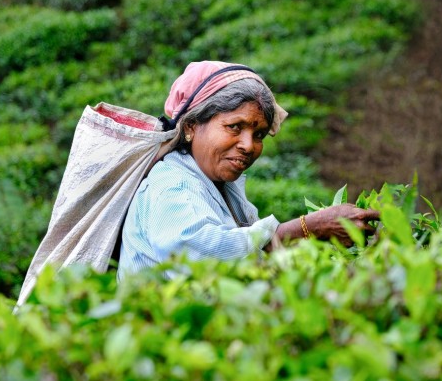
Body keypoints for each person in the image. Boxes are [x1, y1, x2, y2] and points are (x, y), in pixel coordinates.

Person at [117, 61, 380, 280]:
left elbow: (253, 259)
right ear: (191, 127)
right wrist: (307, 228)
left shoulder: (219, 185)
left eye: (259, 135)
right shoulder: (173, 184)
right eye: (234, 127)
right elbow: (199, 260)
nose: (248, 145)